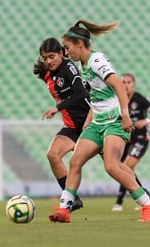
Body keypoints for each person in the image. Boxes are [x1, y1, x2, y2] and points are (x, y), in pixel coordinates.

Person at [49, 20, 150, 223]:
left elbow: (118, 85)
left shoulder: (96, 60)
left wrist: (126, 116)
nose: (65, 52)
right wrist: (89, 119)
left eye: (67, 47)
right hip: (98, 122)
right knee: (75, 161)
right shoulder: (82, 65)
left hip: (115, 120)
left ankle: (148, 204)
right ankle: (64, 210)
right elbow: (97, 95)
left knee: (111, 166)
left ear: (79, 44)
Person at [33, 37, 91, 212]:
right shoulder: (49, 73)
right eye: (45, 58)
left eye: (52, 57)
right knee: (52, 154)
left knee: (113, 166)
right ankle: (72, 199)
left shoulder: (68, 67)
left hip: (92, 123)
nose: (48, 61)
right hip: (73, 127)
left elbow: (81, 93)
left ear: (61, 53)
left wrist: (57, 108)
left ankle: (144, 199)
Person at [112, 73, 150, 211]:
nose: (126, 85)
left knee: (126, 166)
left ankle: (120, 201)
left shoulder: (140, 99)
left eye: (128, 82)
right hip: (125, 139)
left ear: (133, 84)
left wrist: (145, 121)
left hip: (141, 138)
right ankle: (144, 195)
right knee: (123, 168)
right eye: (123, 82)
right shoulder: (117, 100)